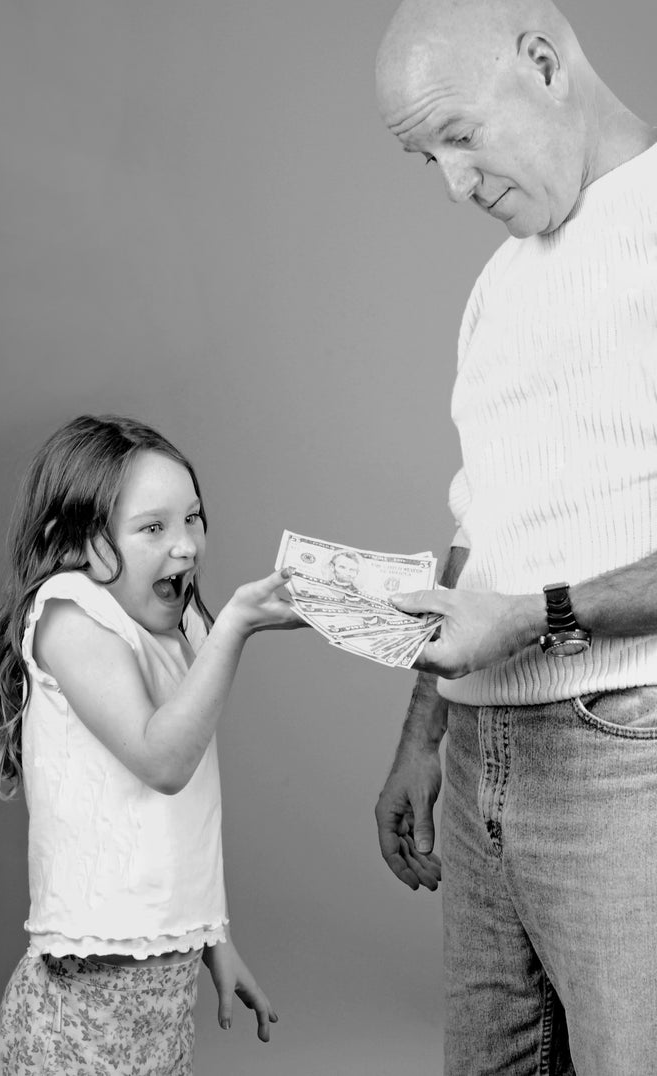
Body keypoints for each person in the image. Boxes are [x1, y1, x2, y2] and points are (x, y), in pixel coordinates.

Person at [373, 0, 657, 1072]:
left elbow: (516, 596)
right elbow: (478, 527)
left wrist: (540, 616)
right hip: (480, 764)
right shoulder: (497, 290)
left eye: (462, 135)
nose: (455, 183)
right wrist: (421, 737)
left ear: (542, 61)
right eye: (424, 157)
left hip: (625, 752)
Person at [0, 413, 304, 1075]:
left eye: (193, 518)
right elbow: (163, 762)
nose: (185, 546)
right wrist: (236, 626)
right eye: (153, 527)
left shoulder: (174, 627)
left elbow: (173, 828)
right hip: (80, 1013)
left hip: (158, 1003)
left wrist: (215, 939)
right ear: (78, 541)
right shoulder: (70, 615)